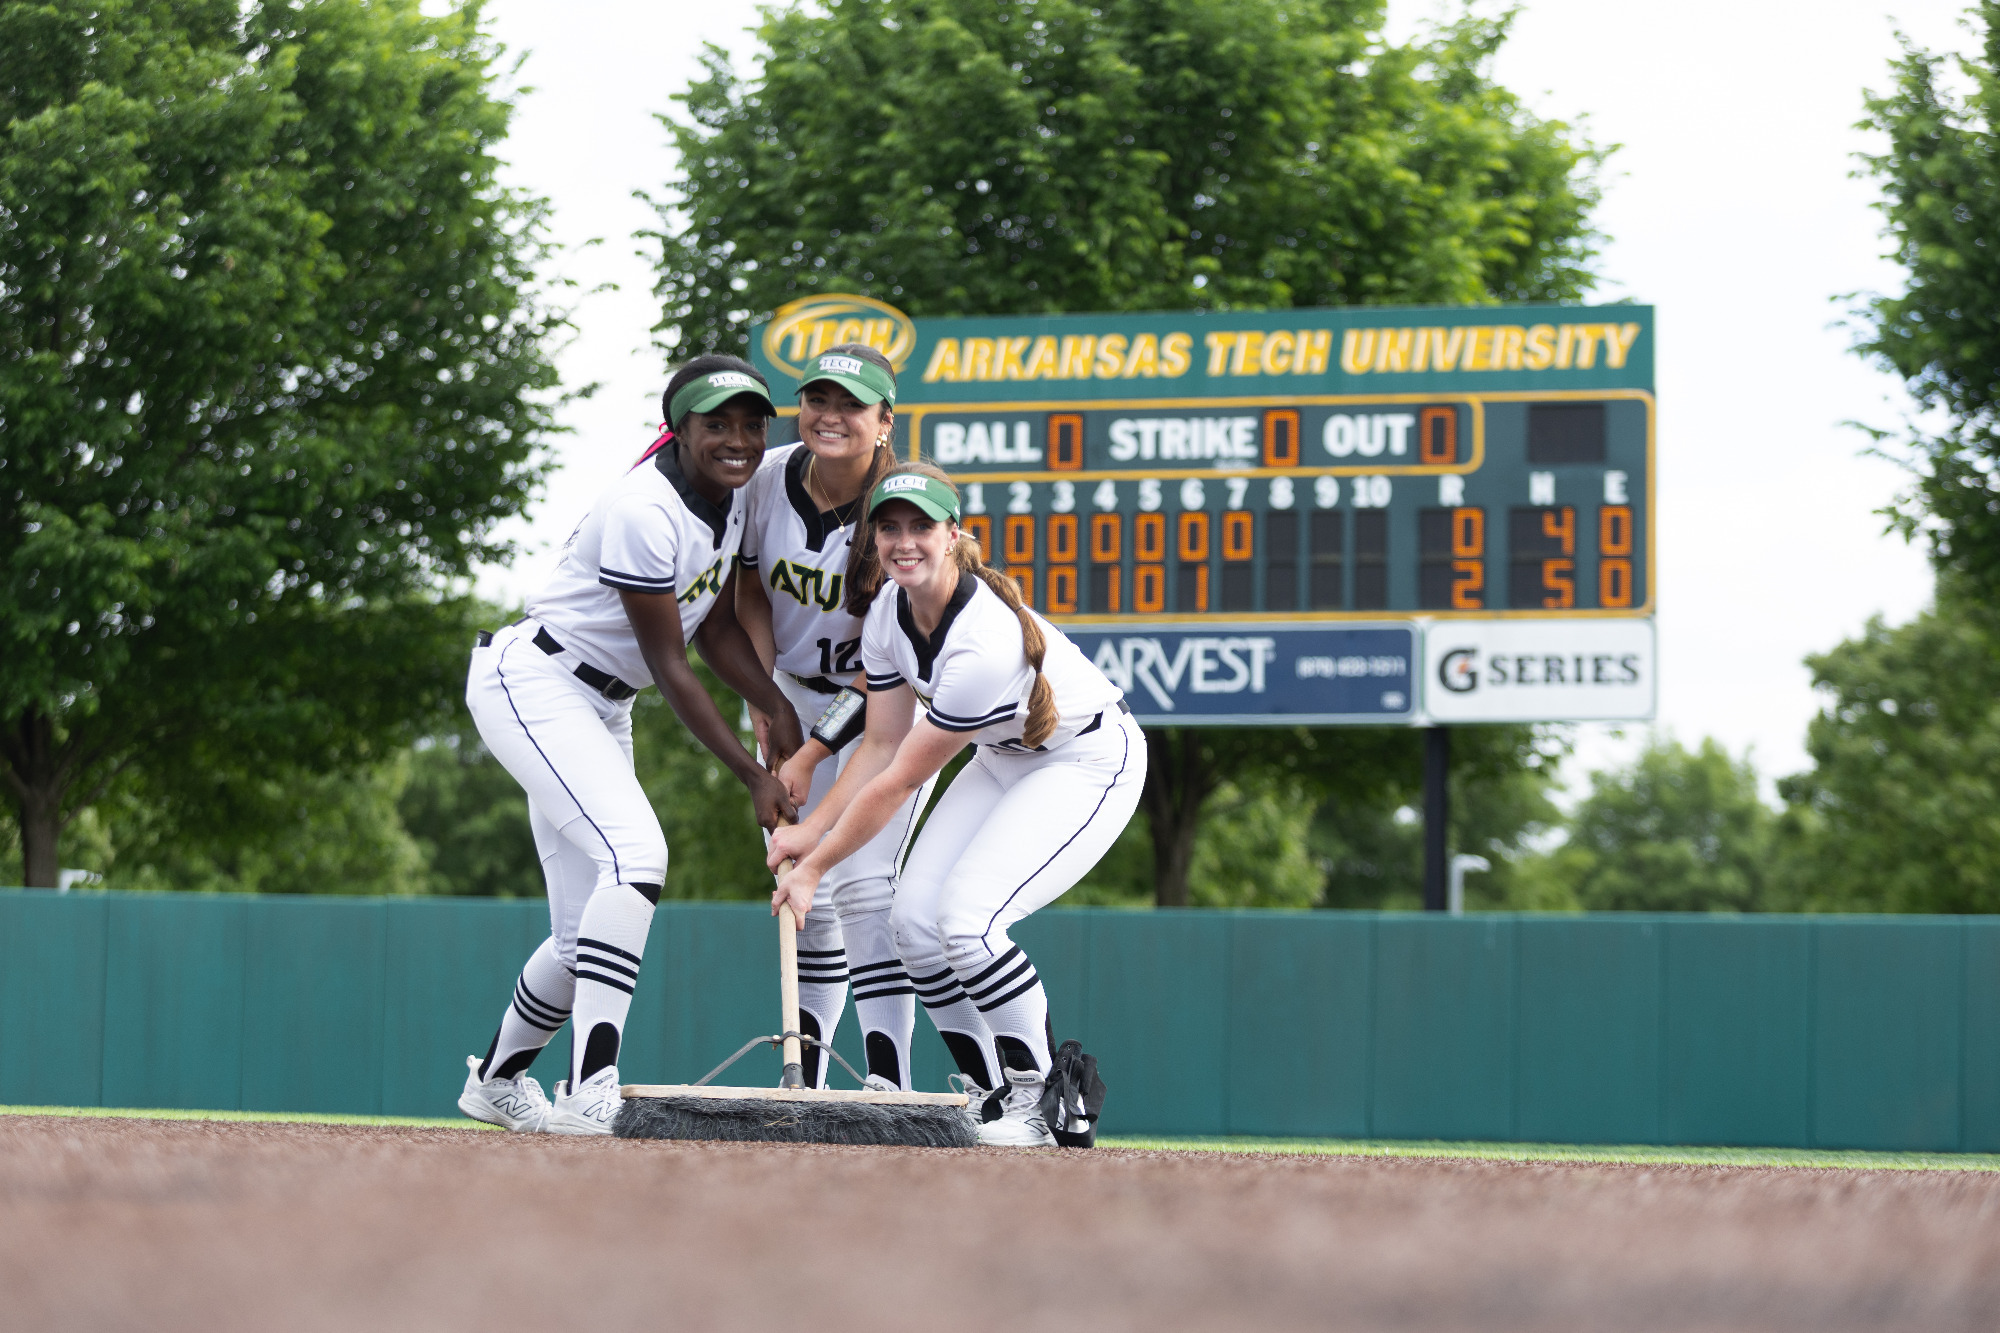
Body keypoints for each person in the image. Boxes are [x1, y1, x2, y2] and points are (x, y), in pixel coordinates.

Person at [457, 356, 802, 1136]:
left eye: (751, 423)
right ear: (678, 430)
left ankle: (498, 1080)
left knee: (586, 936)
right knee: (638, 857)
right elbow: (671, 663)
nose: (739, 438)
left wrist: (773, 702)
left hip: (600, 702)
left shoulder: (732, 497)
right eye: (718, 423)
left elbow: (712, 623)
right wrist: (750, 771)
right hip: (536, 682)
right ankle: (590, 1087)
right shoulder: (645, 508)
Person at [768, 462, 1146, 1146]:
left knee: (968, 923)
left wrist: (815, 866)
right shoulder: (888, 608)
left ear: (952, 535)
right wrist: (810, 832)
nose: (904, 540)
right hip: (1005, 756)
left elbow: (898, 782)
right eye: (889, 527)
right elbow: (880, 743)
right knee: (914, 923)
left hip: (1087, 758)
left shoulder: (984, 641)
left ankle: (1042, 1104)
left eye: (921, 525)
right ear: (873, 539)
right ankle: (990, 1095)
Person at [735, 345, 937, 1092]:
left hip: (880, 706)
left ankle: (889, 1081)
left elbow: (882, 662)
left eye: (851, 404)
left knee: (867, 894)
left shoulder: (902, 512)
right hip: (782, 687)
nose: (831, 415)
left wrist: (814, 746)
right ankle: (808, 1082)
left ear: (885, 420)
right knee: (805, 899)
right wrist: (763, 697)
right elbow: (748, 588)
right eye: (818, 398)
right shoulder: (764, 479)